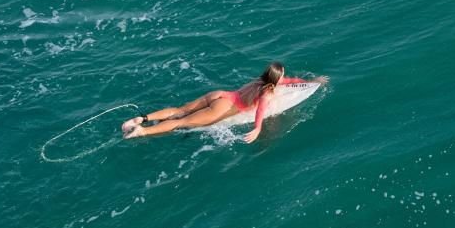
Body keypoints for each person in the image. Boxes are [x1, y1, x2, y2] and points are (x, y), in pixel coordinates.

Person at [121, 62, 325, 143]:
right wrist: (257, 129)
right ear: (276, 79)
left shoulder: (259, 80)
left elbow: (289, 81)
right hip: (225, 107)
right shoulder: (267, 93)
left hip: (220, 95)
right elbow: (261, 109)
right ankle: (143, 131)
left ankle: (140, 118)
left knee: (180, 110)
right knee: (181, 122)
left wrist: (311, 82)